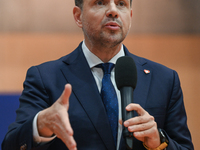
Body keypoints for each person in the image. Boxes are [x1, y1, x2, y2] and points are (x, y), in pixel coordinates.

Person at [2, 0, 194, 150]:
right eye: (100, 2)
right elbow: (11, 145)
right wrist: (41, 125)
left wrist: (159, 141)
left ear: (131, 16)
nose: (113, 11)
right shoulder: (45, 77)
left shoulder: (165, 79)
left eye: (121, 4)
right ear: (78, 16)